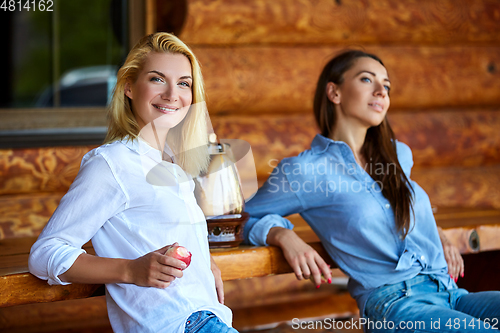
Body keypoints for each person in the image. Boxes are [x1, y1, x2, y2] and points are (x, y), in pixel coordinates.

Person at [244, 50, 500, 332]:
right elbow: (241, 219)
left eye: (386, 86)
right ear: (334, 92)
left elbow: (397, 212)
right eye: (367, 80)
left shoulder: (398, 155)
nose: (381, 91)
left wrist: (437, 235)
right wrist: (282, 235)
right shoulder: (305, 171)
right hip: (396, 303)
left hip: (449, 291)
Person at [29, 32, 238, 333]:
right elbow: (46, 252)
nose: (172, 94)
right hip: (177, 325)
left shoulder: (174, 162)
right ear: (128, 87)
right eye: (157, 79)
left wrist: (205, 266)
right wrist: (129, 270)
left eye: (184, 83)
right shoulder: (112, 163)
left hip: (208, 317)